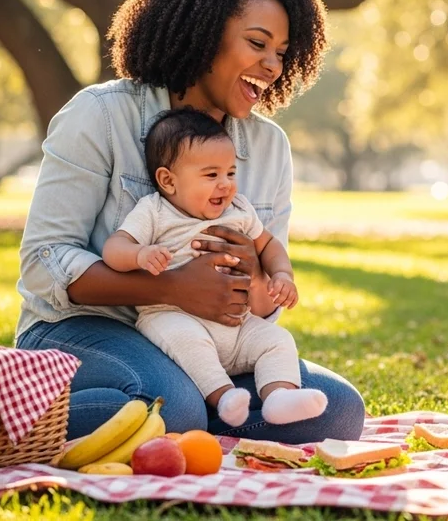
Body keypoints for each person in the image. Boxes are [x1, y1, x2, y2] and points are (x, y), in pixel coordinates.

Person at [15, 0, 364, 443]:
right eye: (257, 43)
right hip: (81, 328)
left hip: (212, 343)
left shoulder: (269, 147)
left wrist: (256, 277)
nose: (271, 65)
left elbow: (265, 303)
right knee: (173, 408)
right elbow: (45, 261)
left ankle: (194, 415)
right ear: (204, 35)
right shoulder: (101, 116)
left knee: (337, 413)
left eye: (281, 53)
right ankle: (3, 419)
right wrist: (168, 286)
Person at [102, 108, 327, 428]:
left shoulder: (239, 209)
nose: (225, 185)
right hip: (173, 315)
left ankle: (278, 397)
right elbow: (114, 248)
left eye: (231, 173)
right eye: (211, 175)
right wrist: (139, 254)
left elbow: (269, 245)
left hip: (238, 324)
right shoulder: (155, 211)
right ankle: (224, 397)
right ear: (168, 180)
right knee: (185, 338)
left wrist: (282, 275)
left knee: (277, 340)